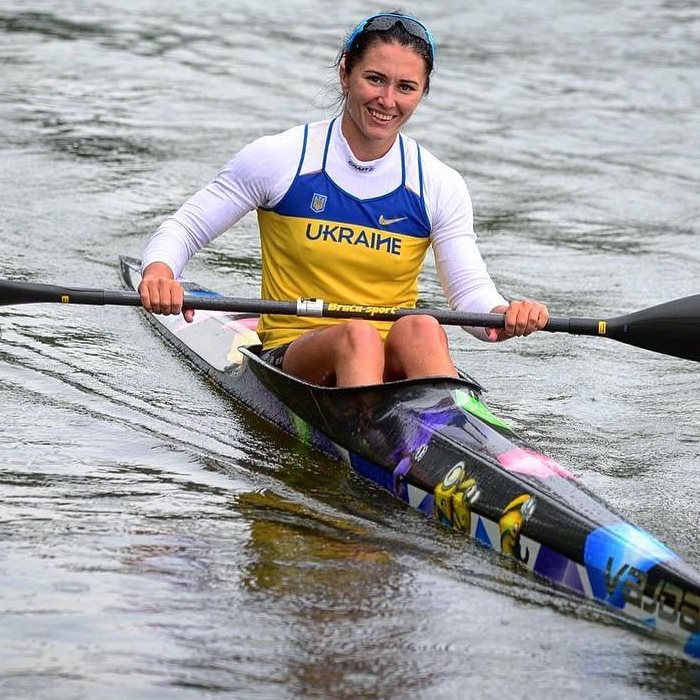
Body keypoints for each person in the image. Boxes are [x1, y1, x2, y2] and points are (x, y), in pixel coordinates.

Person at [138, 12, 549, 387]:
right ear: (345, 74)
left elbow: (470, 297)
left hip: (391, 358)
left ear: (422, 92)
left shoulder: (438, 183)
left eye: (405, 87)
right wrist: (159, 273)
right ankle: (374, 432)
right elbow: (183, 230)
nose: (387, 100)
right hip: (296, 354)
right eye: (375, 79)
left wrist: (504, 316)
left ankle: (444, 424)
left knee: (423, 326)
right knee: (358, 336)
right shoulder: (281, 158)